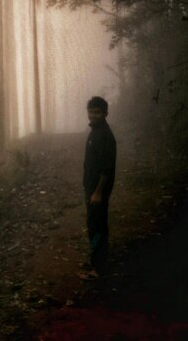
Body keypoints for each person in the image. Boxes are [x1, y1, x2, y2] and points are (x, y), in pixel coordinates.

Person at [81, 96, 116, 280]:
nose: (93, 115)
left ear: (105, 113)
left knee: (97, 228)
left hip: (97, 192)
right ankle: (97, 263)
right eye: (91, 112)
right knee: (95, 226)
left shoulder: (104, 135)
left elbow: (106, 169)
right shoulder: (95, 131)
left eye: (97, 112)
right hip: (92, 189)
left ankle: (99, 268)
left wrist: (97, 192)